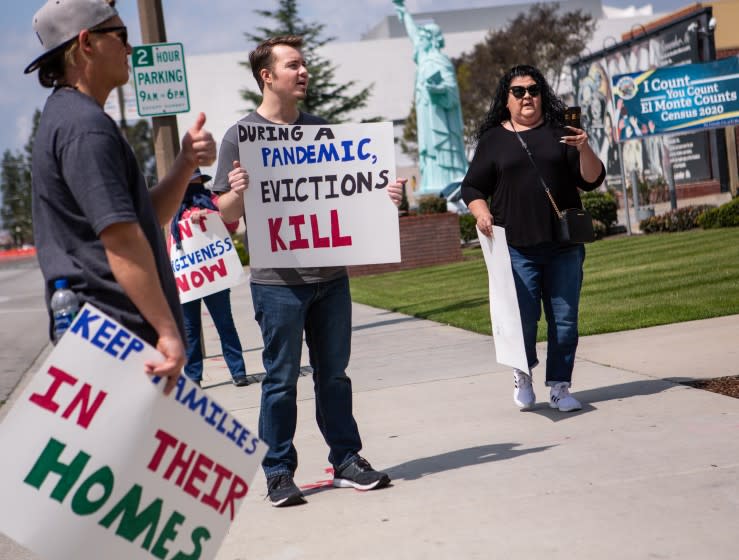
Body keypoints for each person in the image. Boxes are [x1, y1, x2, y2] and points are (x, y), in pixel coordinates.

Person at [213, 35, 405, 507]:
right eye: (293, 65)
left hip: (331, 280)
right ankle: (278, 471)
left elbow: (349, 195)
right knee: (279, 379)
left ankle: (346, 461)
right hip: (278, 284)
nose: (303, 72)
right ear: (267, 76)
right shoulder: (241, 137)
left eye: (304, 65)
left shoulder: (321, 130)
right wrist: (237, 190)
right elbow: (225, 214)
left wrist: (386, 201)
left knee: (334, 375)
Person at [25, 0, 216, 395]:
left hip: (107, 332)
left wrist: (184, 163)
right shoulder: (85, 128)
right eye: (122, 37)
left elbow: (144, 218)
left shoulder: (73, 117)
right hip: (118, 334)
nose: (130, 49)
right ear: (87, 43)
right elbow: (122, 239)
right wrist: (168, 332)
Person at [461, 65, 605, 412]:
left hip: (564, 246)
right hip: (516, 248)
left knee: (565, 319)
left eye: (534, 89)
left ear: (542, 94)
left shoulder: (562, 132)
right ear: (506, 99)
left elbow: (592, 179)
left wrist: (584, 148)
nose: (527, 96)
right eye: (519, 91)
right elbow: (473, 186)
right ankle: (522, 374)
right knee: (523, 320)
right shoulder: (495, 139)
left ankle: (559, 386)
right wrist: (481, 212)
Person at [169, 169, 249, 389]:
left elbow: (231, 223)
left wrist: (210, 215)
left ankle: (238, 371)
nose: (191, 183)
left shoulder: (213, 200)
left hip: (214, 277)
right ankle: (193, 377)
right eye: (187, 179)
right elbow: (171, 241)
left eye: (195, 179)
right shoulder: (173, 207)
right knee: (190, 329)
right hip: (187, 280)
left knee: (225, 323)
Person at [393, 0, 467, 193]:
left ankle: (449, 179)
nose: (419, 39)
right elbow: (413, 34)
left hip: (441, 116)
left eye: (423, 36)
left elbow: (451, 89)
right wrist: (403, 11)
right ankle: (432, 180)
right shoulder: (423, 58)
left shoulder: (440, 60)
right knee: (429, 147)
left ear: (431, 39)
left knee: (442, 146)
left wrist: (438, 89)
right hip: (426, 112)